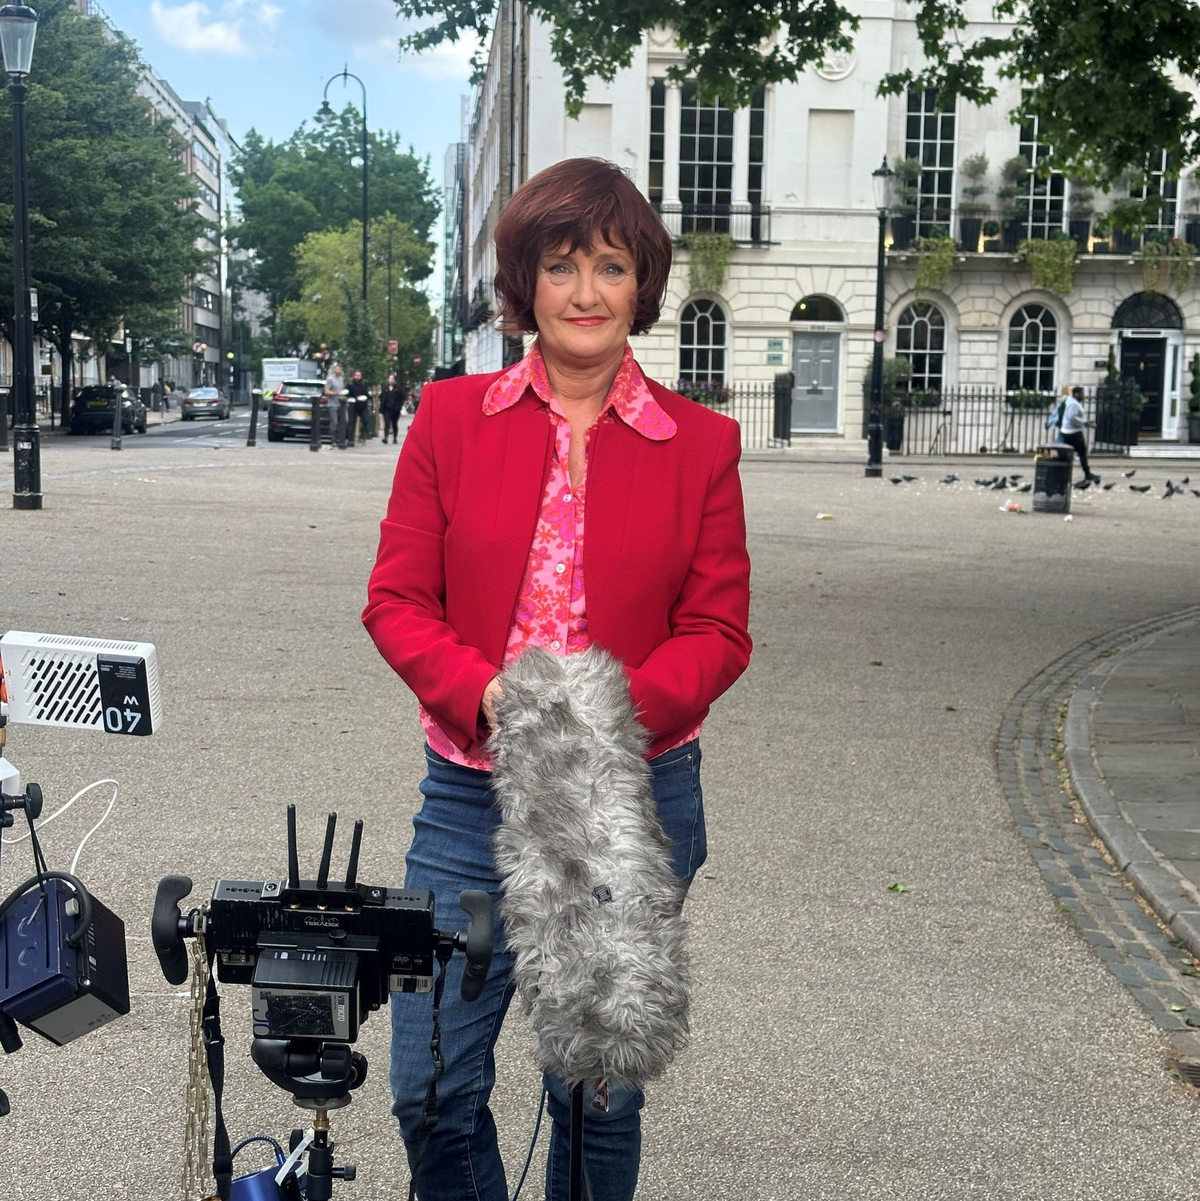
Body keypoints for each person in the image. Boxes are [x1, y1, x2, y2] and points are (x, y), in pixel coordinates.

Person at [363, 157, 752, 1201]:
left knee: (593, 1088)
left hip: (633, 796)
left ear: (642, 286)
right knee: (430, 1082)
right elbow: (396, 601)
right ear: (525, 281)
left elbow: (717, 630)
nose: (587, 292)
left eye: (612, 266)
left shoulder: (702, 445)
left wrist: (606, 716)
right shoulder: (449, 420)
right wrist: (485, 696)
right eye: (562, 264)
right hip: (470, 792)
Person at [1059, 385, 1100, 483]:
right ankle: (1087, 474)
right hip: (1074, 433)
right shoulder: (1074, 404)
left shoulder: (1070, 400)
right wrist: (1085, 423)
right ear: (1076, 394)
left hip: (1066, 431)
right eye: (1082, 393)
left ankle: (1062, 475)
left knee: (1066, 454)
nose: (1084, 396)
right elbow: (1072, 418)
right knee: (1082, 453)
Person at [324, 362, 347, 448]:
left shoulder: (341, 379)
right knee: (334, 422)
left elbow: (342, 390)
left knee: (344, 421)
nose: (338, 370)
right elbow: (326, 391)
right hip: (332, 404)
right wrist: (335, 393)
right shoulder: (330, 379)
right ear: (334, 370)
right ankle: (333, 440)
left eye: (340, 369)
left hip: (340, 403)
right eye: (337, 369)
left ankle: (340, 439)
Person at [346, 368, 371, 444]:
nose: (357, 377)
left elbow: (367, 395)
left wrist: (368, 397)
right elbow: (347, 394)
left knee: (365, 421)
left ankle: (363, 436)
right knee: (352, 422)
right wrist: (354, 398)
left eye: (359, 375)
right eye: (356, 375)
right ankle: (351, 439)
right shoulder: (350, 385)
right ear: (354, 376)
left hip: (363, 406)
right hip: (353, 406)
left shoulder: (364, 385)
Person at [379, 372, 404, 443]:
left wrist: (398, 406)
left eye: (392, 379)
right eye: (390, 379)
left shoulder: (398, 389)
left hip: (395, 410)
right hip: (386, 409)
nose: (391, 380)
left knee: (394, 423)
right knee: (387, 423)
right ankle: (386, 437)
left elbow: (401, 398)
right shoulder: (385, 389)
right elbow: (382, 397)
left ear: (394, 380)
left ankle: (395, 438)